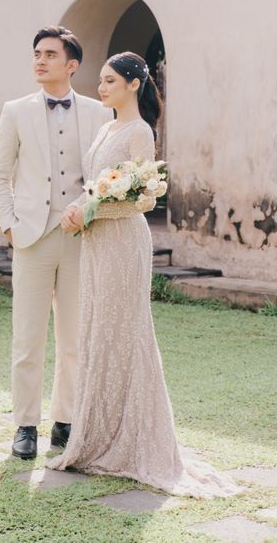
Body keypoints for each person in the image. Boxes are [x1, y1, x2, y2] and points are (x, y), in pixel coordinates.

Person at [48, 51, 239, 498]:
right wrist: (78, 208)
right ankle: (97, 436)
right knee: (98, 331)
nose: (102, 88)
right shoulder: (105, 129)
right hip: (96, 243)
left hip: (123, 243)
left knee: (125, 331)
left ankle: (135, 441)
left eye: (111, 81)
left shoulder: (140, 132)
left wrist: (91, 209)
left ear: (133, 84)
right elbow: (94, 185)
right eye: (101, 81)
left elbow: (143, 200)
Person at [0, 26, 110, 459]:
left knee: (76, 337)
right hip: (31, 238)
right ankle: (25, 426)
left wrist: (85, 209)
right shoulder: (15, 111)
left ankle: (65, 421)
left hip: (80, 236)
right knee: (28, 337)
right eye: (36, 53)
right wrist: (9, 226)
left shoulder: (99, 114)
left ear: (71, 65)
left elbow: (103, 177)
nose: (40, 60)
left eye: (50, 55)